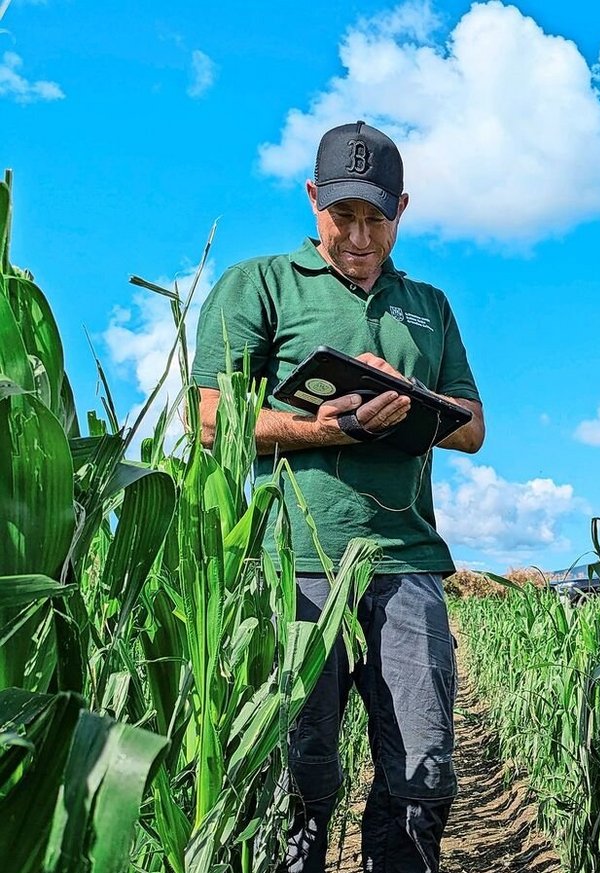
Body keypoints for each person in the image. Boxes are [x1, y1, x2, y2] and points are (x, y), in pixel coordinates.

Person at [192, 120, 486, 873]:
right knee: (298, 770)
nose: (359, 237)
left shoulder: (429, 304)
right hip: (293, 563)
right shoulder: (259, 284)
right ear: (312, 199)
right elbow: (209, 418)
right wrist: (324, 428)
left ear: (402, 209)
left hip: (407, 562)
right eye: (342, 215)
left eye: (376, 219)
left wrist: (406, 398)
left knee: (422, 773)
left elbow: (471, 427)